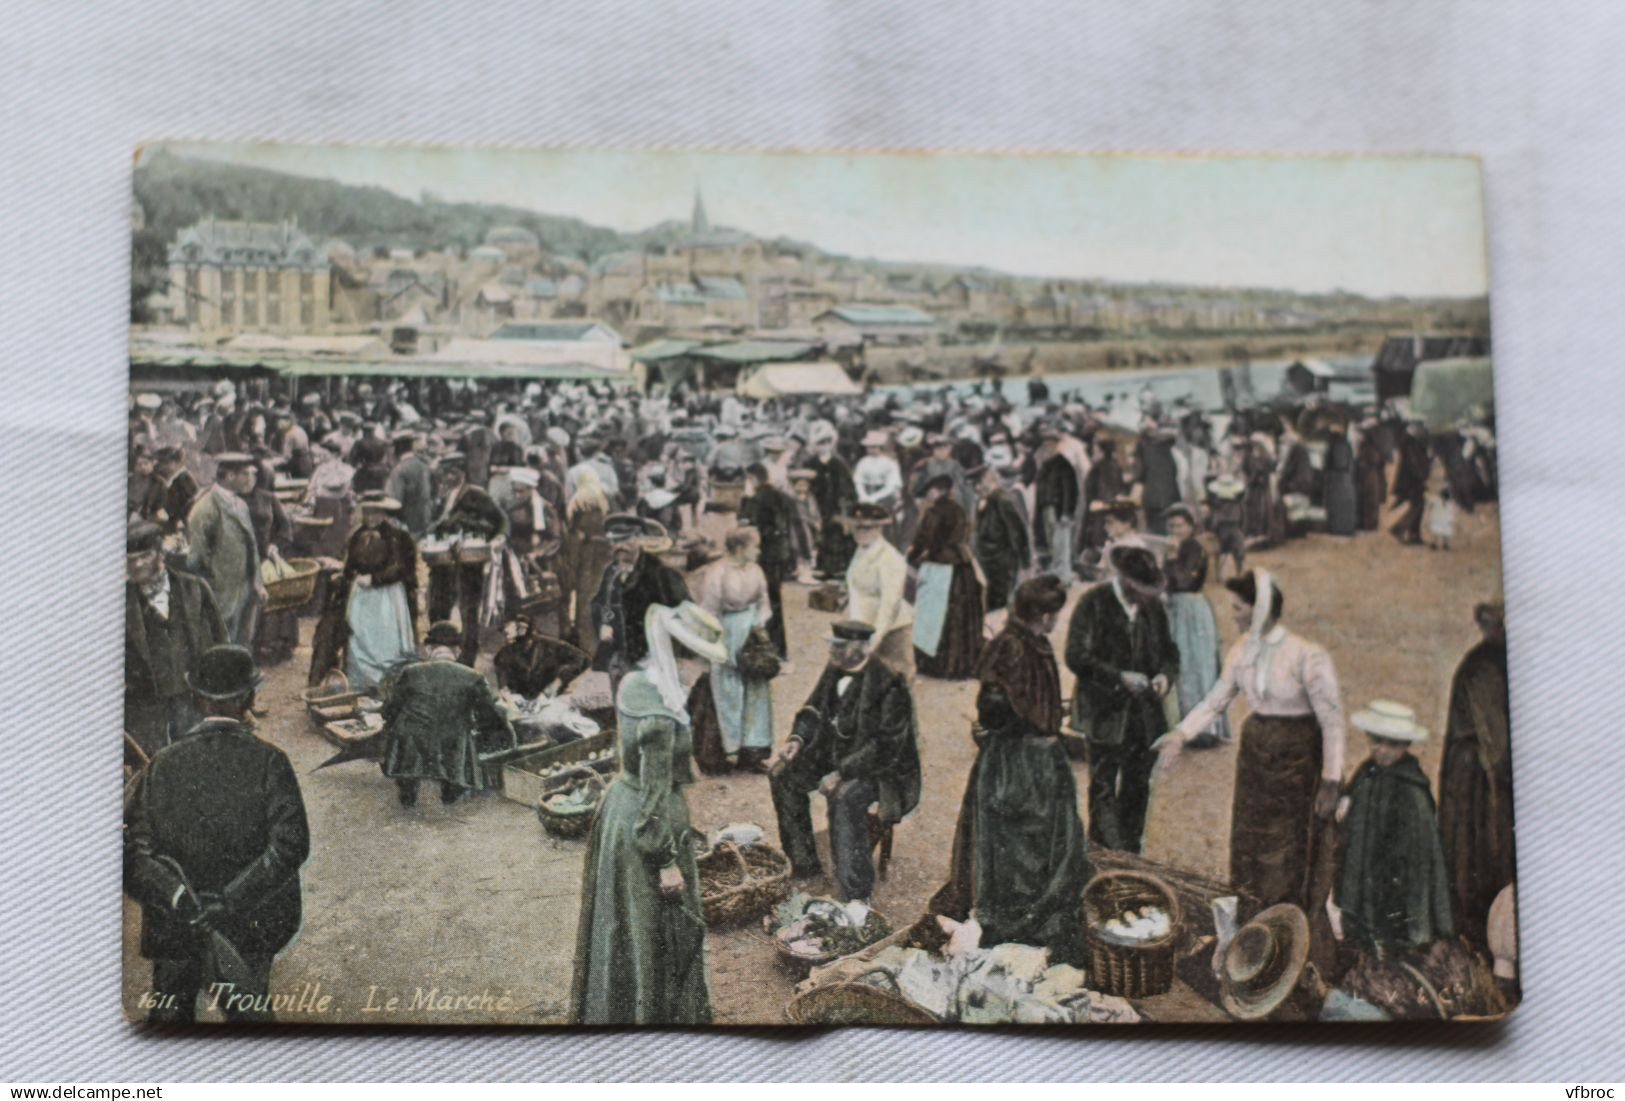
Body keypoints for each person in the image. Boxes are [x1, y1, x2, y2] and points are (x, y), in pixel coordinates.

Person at [123, 644, 310, 1022]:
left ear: (196, 699)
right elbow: (290, 847)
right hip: (251, 923)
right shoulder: (271, 761)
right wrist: (227, 901)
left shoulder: (162, 764)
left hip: (174, 926)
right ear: (250, 698)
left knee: (169, 1023)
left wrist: (179, 899)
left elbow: (135, 854)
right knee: (251, 1023)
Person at [572, 602, 729, 1025]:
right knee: (652, 930)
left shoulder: (640, 682)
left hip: (621, 811)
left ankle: (617, 1010)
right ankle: (652, 1020)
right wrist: (666, 862)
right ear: (682, 657)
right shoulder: (660, 713)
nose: (705, 672)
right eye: (702, 662)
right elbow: (655, 793)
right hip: (647, 827)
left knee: (623, 927)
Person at [1159, 570, 1348, 918]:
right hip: (1256, 756)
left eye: (1238, 607)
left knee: (1288, 843)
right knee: (1251, 840)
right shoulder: (1243, 650)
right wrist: (1181, 734)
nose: (1233, 615)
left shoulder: (1306, 655)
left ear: (1259, 609)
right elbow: (1217, 699)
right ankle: (1254, 920)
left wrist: (1331, 779)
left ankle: (1286, 921)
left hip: (1297, 756)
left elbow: (1332, 721)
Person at [930, 576, 1091, 963]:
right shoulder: (1012, 646)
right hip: (1018, 761)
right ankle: (1010, 919)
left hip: (1035, 756)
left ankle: (1023, 912)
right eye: (1056, 613)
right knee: (1018, 843)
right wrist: (1019, 727)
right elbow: (993, 705)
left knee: (1045, 841)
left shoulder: (1030, 640)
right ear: (1046, 614)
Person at [768, 619, 922, 901]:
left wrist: (841, 772)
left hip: (882, 770)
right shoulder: (835, 669)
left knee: (844, 796)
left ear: (862, 648)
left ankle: (855, 890)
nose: (833, 652)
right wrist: (796, 740)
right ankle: (805, 867)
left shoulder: (890, 683)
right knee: (782, 775)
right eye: (833, 646)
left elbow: (886, 746)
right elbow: (812, 708)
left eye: (840, 647)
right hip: (836, 754)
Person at [1064, 544, 1179, 853]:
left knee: (1137, 784)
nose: (1149, 597)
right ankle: (1103, 855)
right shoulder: (1094, 603)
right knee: (1102, 785)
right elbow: (1075, 655)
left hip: (1144, 714)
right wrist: (1119, 677)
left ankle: (1130, 854)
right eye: (1143, 590)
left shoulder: (1152, 608)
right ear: (1128, 583)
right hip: (1104, 711)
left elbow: (1170, 653)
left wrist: (1164, 677)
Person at [1333, 701, 1455, 955]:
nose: (1384, 751)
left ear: (1406, 745)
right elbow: (1355, 788)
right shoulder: (1369, 771)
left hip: (1396, 869)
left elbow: (1420, 848)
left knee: (1392, 923)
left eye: (1393, 744)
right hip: (1367, 861)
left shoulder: (1411, 788)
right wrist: (1347, 798)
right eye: (1377, 741)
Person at [1437, 602, 1514, 953]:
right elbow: (1495, 742)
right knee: (1476, 850)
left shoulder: (1504, 660)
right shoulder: (1482, 667)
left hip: (1488, 766)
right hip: (1475, 773)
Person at [380, 620, 515, 807]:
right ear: (457, 651)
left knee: (404, 729)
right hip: (452, 741)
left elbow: (389, 710)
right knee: (461, 735)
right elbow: (488, 716)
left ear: (428, 649)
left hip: (412, 741)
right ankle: (451, 791)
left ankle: (407, 791)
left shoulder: (410, 672)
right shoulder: (473, 677)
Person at [125, 522, 227, 760]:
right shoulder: (120, 601)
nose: (137, 564)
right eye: (130, 558)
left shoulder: (195, 589)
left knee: (196, 757)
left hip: (192, 696)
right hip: (146, 704)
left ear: (161, 554)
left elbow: (220, 640)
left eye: (145, 556)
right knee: (154, 764)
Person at [308, 492, 419, 691]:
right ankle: (359, 683)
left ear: (384, 513)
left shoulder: (398, 537)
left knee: (383, 641)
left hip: (388, 598)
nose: (371, 518)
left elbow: (403, 569)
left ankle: (385, 684)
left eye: (376, 513)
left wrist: (376, 579)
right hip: (359, 596)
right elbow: (350, 566)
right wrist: (345, 576)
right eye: (367, 513)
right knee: (357, 638)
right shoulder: (357, 535)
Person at [698, 527, 775, 771]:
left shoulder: (756, 570)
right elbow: (709, 611)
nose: (759, 551)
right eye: (755, 546)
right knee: (727, 691)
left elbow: (764, 602)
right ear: (740, 548)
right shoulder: (717, 572)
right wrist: (714, 642)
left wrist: (758, 626)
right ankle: (725, 751)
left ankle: (752, 752)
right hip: (727, 634)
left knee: (756, 691)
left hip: (752, 635)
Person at [426, 454, 509, 666]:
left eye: (451, 473)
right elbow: (435, 524)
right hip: (443, 561)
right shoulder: (442, 495)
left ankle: (468, 656)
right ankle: (440, 650)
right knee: (438, 605)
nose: (446, 477)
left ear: (461, 473)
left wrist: (487, 536)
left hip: (468, 561)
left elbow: (500, 522)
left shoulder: (475, 494)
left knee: (468, 609)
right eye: (444, 474)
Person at [589, 514, 690, 685]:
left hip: (651, 658)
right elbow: (599, 603)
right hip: (619, 655)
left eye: (626, 540)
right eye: (614, 541)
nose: (619, 546)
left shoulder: (660, 573)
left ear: (640, 539)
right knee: (621, 703)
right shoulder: (611, 572)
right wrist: (603, 624)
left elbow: (684, 612)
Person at [1162, 503, 1228, 748]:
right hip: (1176, 610)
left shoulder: (1193, 548)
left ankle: (1203, 728)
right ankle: (1182, 724)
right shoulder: (1176, 547)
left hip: (1191, 609)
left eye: (1179, 525)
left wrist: (1171, 557)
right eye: (1171, 526)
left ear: (1190, 527)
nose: (1175, 530)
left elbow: (1181, 580)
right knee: (1181, 664)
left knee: (1197, 664)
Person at [907, 472, 984, 679]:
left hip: (940, 566)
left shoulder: (933, 512)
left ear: (938, 491)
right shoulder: (960, 510)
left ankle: (935, 665)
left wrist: (912, 558)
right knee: (959, 618)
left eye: (930, 491)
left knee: (933, 616)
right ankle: (961, 665)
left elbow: (924, 539)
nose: (929, 496)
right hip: (961, 567)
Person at [186, 453, 265, 648]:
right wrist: (212, 587)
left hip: (244, 589)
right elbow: (196, 559)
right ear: (229, 476)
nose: (250, 480)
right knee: (220, 644)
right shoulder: (205, 508)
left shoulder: (240, 504)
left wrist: (257, 583)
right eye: (245, 474)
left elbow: (251, 547)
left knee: (243, 642)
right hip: (220, 593)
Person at [842, 502, 915, 675]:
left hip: (891, 630)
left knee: (897, 681)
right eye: (858, 528)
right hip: (864, 628)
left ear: (879, 529)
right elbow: (856, 591)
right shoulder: (860, 552)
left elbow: (890, 605)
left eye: (869, 528)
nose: (862, 533)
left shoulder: (890, 558)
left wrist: (873, 640)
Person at [737, 462, 800, 659]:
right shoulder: (782, 496)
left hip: (763, 555)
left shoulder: (756, 499)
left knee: (761, 601)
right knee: (775, 601)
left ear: (753, 479)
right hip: (781, 554)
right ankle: (780, 650)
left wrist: (746, 499)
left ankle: (763, 649)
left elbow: (745, 525)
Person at [246, 455, 297, 667]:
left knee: (278, 595)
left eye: (251, 475)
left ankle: (279, 644)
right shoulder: (233, 500)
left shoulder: (268, 498)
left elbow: (285, 527)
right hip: (246, 558)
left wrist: (276, 544)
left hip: (268, 556)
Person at [565, 467, 614, 657]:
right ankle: (602, 639)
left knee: (584, 595)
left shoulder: (578, 500)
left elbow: (571, 525)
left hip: (585, 551)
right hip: (604, 551)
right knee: (602, 593)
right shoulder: (604, 497)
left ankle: (586, 644)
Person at [972, 463, 1030, 614]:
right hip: (986, 563)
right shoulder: (983, 501)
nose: (977, 488)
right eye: (974, 485)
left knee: (999, 607)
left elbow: (1018, 533)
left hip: (1002, 565)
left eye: (980, 483)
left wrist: (1025, 563)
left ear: (989, 479)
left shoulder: (1004, 500)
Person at [493, 612, 591, 698]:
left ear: (523, 627)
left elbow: (583, 659)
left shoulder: (549, 645)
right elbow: (503, 684)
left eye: (507, 625)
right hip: (520, 706)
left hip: (551, 702)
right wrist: (506, 694)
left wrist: (559, 680)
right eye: (503, 629)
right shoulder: (502, 656)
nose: (504, 630)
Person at [806, 423, 857, 579]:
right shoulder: (811, 463)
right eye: (821, 443)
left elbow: (847, 487)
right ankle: (822, 567)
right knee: (821, 535)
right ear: (815, 445)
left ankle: (839, 567)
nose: (825, 446)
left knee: (837, 534)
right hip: (817, 504)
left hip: (836, 505)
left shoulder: (839, 463)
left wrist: (846, 504)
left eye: (827, 442)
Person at [1033, 426, 1080, 584]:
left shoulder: (1063, 464)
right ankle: (1057, 573)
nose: (1047, 447)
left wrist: (1067, 512)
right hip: (1048, 509)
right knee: (1052, 542)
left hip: (1059, 510)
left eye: (1050, 444)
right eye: (1045, 444)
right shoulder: (1046, 465)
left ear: (1056, 445)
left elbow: (1070, 491)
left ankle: (1064, 575)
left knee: (1062, 543)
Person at [1135, 418, 1181, 536]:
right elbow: (1174, 471)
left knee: (1154, 532)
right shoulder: (1167, 448)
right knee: (1169, 531)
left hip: (1152, 499)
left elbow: (1140, 473)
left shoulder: (1144, 448)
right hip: (1170, 496)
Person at [385, 431, 435, 539]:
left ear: (396, 449)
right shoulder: (424, 466)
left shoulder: (399, 470)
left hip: (407, 525)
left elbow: (395, 501)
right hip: (426, 522)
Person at [1390, 422, 1432, 546]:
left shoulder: (1408, 443)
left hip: (1410, 480)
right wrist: (1421, 476)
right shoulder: (1410, 444)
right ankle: (1401, 529)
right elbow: (1414, 463)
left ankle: (1412, 533)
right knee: (1416, 504)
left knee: (1417, 504)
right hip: (1412, 480)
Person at [152, 447, 199, 535]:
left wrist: (168, 514)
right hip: (175, 521)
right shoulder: (176, 479)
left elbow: (189, 505)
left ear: (174, 463)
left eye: (164, 464)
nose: (162, 468)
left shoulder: (184, 479)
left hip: (181, 524)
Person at [1322, 420, 1358, 536]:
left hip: (1336, 479)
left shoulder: (1333, 445)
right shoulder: (1346, 445)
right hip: (1346, 479)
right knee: (1345, 505)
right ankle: (1346, 527)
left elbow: (1333, 463)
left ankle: (1337, 528)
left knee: (1336, 505)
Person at [1355, 419, 1388, 532]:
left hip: (1370, 474)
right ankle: (1367, 523)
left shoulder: (1371, 446)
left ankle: (1369, 524)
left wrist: (1362, 463)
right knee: (1368, 499)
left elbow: (1373, 459)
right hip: (1369, 474)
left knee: (1370, 499)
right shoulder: (1370, 445)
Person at [1426, 485, 1456, 551]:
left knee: (1436, 533)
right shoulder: (1451, 503)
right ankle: (1446, 544)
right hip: (1447, 521)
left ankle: (1434, 544)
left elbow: (1429, 505)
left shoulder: (1436, 501)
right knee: (1446, 534)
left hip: (1436, 520)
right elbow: (1453, 511)